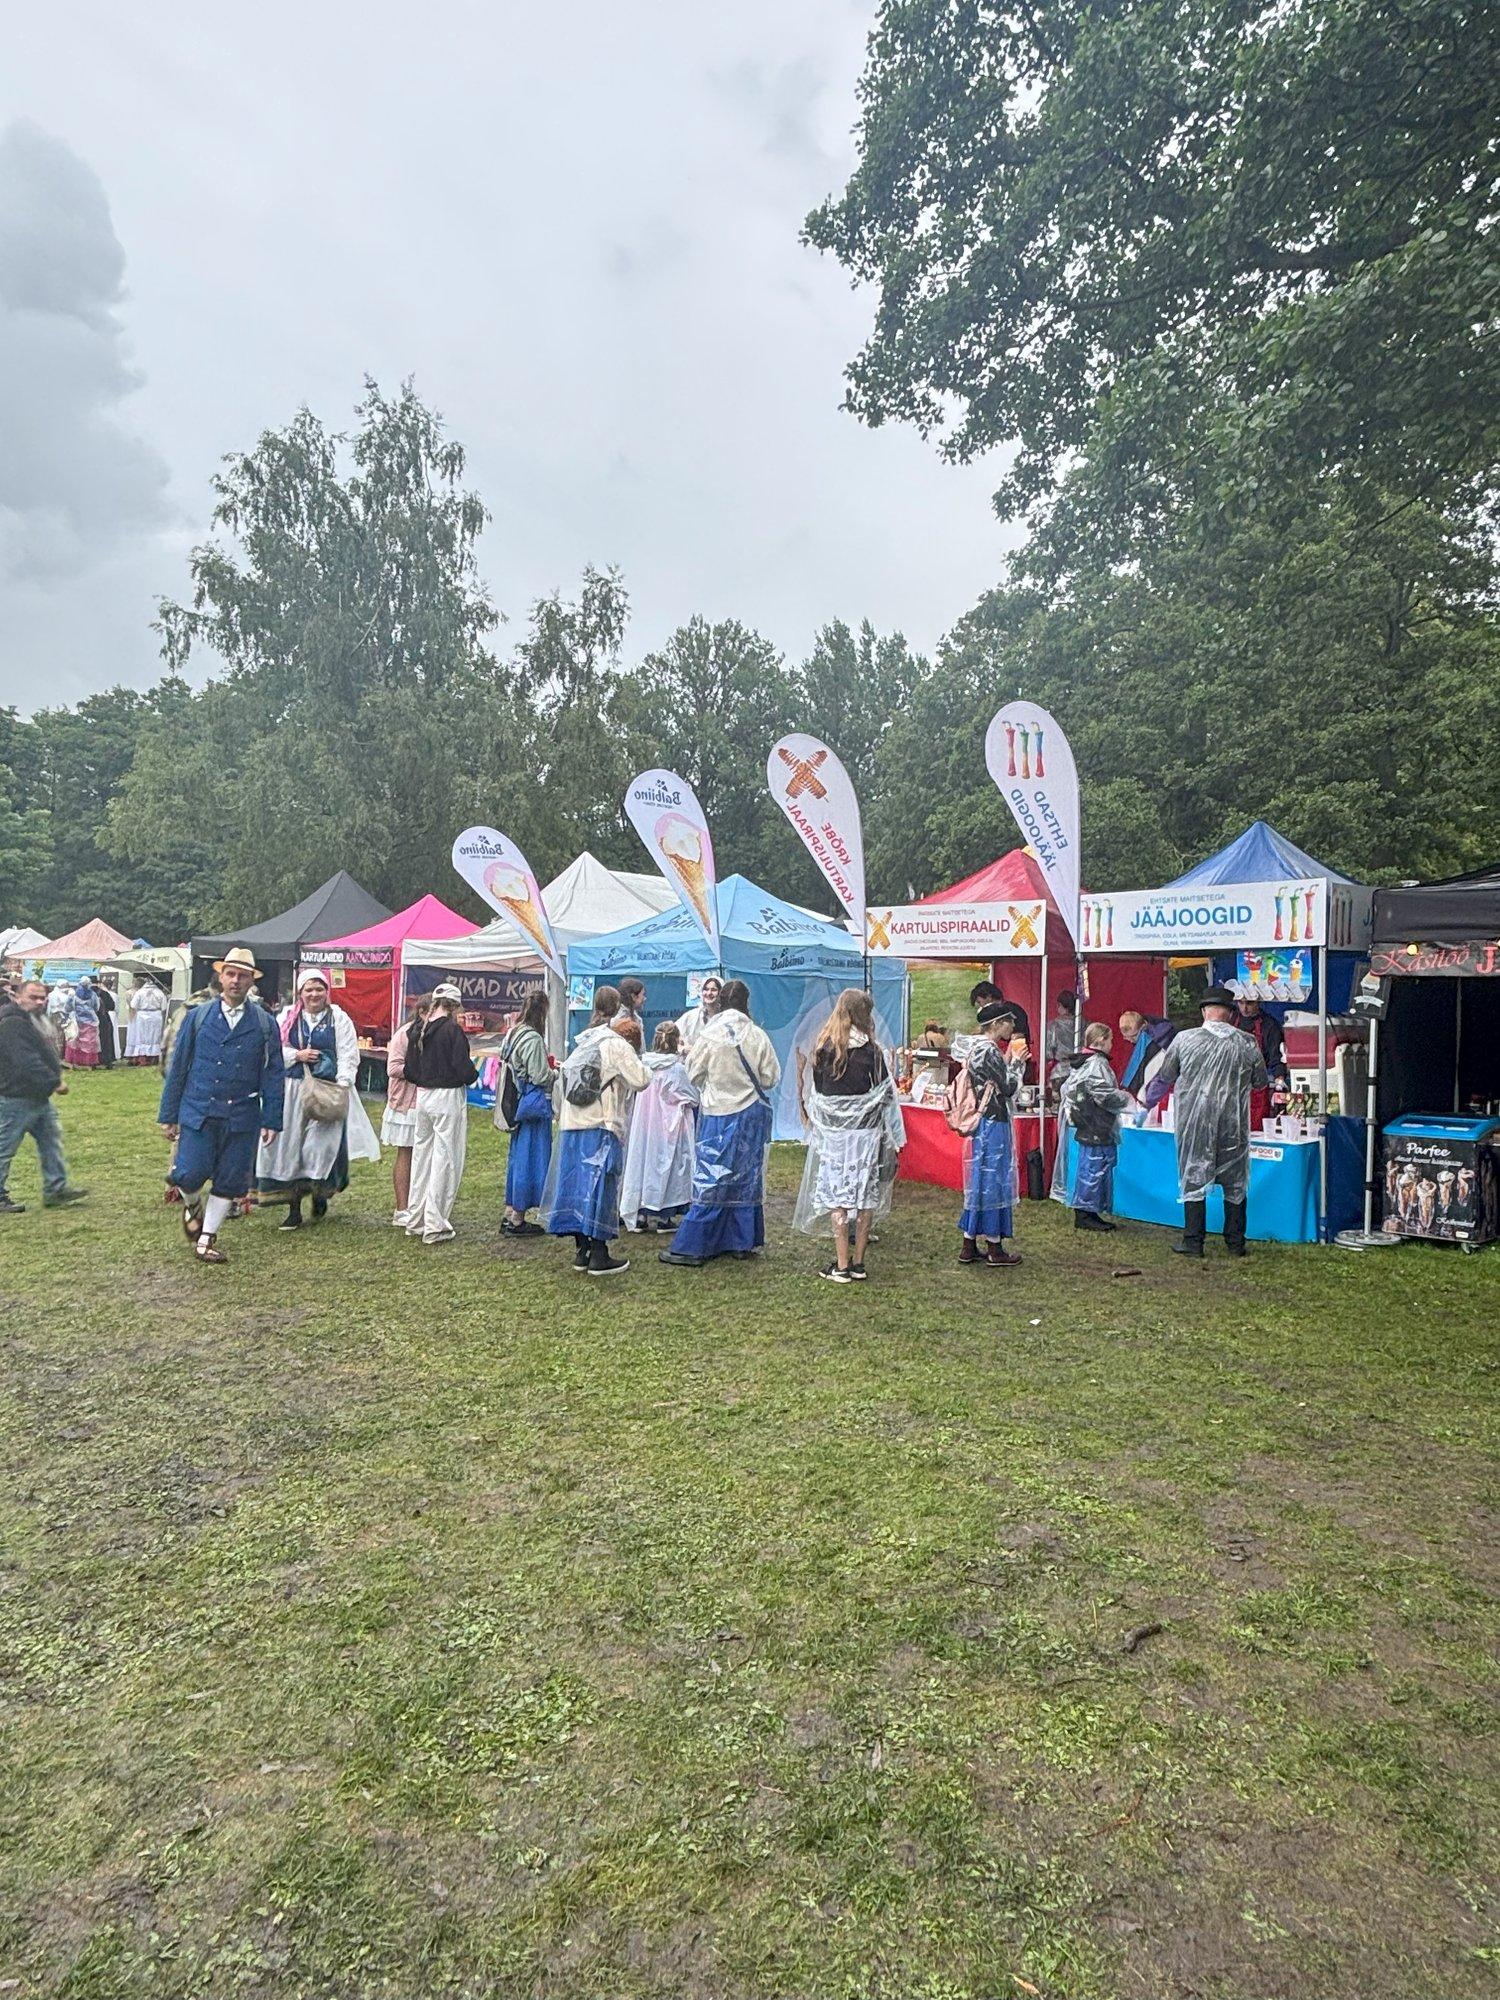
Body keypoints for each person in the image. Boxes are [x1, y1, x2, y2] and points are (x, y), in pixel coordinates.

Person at [158, 946, 285, 1265]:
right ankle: (193, 1206)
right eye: (231, 974)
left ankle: (206, 1238)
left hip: (241, 1114)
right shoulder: (198, 1017)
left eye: (243, 976)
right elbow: (179, 1067)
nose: (236, 981)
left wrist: (272, 1118)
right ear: (221, 976)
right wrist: (169, 1115)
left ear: (252, 982)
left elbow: (274, 1072)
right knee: (187, 1174)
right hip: (199, 1109)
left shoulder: (265, 1022)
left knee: (229, 1180)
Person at [660, 978, 781, 1267]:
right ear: (746, 1003)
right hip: (749, 1112)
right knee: (746, 1177)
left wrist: (712, 1085)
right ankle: (741, 1240)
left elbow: (694, 1072)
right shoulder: (756, 1035)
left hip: (717, 1112)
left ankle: (696, 1243)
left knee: (712, 1176)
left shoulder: (709, 1034)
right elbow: (770, 1077)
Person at [794, 987, 904, 1283]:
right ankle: (858, 1263)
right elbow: (885, 1098)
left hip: (835, 1138)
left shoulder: (824, 1050)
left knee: (838, 1199)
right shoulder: (873, 1052)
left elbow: (817, 1097)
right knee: (865, 1197)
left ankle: (841, 1264)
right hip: (866, 1137)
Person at [256, 968, 379, 1229]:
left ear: (327, 992)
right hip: (292, 1089)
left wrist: (343, 1083)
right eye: (309, 990)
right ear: (300, 993)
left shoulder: (339, 1019)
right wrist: (297, 1056)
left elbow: (348, 1053)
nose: (314, 994)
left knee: (320, 1147)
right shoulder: (288, 1017)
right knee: (291, 1147)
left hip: (325, 1088)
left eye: (319, 989)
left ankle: (319, 1191)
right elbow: (275, 1050)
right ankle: (294, 1207)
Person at [1152, 985, 1269, 1258]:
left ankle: (1194, 1241)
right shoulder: (1247, 1042)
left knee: (1194, 1177)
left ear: (1205, 1011)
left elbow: (1167, 1075)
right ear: (1230, 1013)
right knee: (1235, 1181)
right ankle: (1236, 1242)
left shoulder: (1184, 1039)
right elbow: (1261, 1081)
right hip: (1233, 1122)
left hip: (1195, 1122)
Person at [545, 985, 650, 1275]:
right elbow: (640, 1079)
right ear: (618, 1010)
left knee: (577, 1185)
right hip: (601, 1122)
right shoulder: (613, 1043)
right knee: (601, 1185)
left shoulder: (583, 1041)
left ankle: (582, 1249)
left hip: (572, 1123)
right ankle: (600, 1253)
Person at [0, 978, 88, 1215]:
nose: (39, 1002)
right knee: (4, 1147)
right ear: (18, 996)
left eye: (42, 997)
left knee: (50, 1142)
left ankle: (55, 1189)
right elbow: (25, 1060)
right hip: (16, 1096)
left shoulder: (29, 1019)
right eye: (33, 997)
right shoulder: (12, 1022)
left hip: (36, 1097)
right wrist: (54, 1081)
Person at [402, 984, 479, 1245]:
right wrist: (472, 1075)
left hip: (423, 1095)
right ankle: (436, 1223)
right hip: (447, 1096)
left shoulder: (417, 1030)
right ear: (454, 1006)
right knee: (445, 1158)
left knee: (422, 1157)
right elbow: (463, 1067)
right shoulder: (452, 1030)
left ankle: (416, 1218)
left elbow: (409, 1070)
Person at [957, 1002, 1027, 1268]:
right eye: (1009, 1021)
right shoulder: (990, 1051)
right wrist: (1017, 1064)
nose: (1012, 1027)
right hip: (994, 1122)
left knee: (978, 1181)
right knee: (995, 1181)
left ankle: (969, 1241)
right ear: (997, 1024)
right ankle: (994, 1246)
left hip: (981, 1122)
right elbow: (1008, 1087)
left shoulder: (976, 1049)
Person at [621, 1021, 699, 1232]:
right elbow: (692, 1096)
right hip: (671, 1126)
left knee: (644, 1164)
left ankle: (641, 1214)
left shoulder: (644, 1065)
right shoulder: (677, 1069)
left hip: (645, 1124)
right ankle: (665, 1217)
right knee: (669, 1167)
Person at [1053, 1022, 1131, 1232]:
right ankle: (1085, 1212)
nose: (1113, 1044)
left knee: (1091, 1167)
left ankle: (1088, 1210)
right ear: (1101, 1041)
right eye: (1111, 1039)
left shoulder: (1085, 1062)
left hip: (1089, 1122)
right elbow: (1104, 1094)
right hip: (1096, 1122)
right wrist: (1126, 1099)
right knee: (1094, 1168)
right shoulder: (1096, 1064)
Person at [500, 989, 555, 1237]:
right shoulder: (532, 1038)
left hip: (517, 1103)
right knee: (530, 1159)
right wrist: (555, 1073)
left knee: (518, 1157)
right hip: (532, 1103)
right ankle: (519, 1218)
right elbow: (540, 1075)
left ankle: (511, 1211)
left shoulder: (513, 1032)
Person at [382, 1000, 420, 1227]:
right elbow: (393, 1068)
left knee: (422, 1155)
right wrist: (420, 1071)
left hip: (424, 1102)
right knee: (405, 1153)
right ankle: (402, 1208)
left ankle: (416, 1204)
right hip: (405, 1103)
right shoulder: (403, 1035)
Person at [1234, 991, 1288, 1130]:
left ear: (1258, 1001)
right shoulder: (1231, 1021)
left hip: (1257, 1088)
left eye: (1249, 1003)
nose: (1244, 1008)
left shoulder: (1270, 1025)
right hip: (1231, 1087)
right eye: (1241, 1002)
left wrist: (1279, 1083)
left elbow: (1277, 1058)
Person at [1118, 1010, 1177, 1097]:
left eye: (1133, 1036)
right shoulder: (1151, 1037)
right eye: (1126, 1037)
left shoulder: (1156, 1042)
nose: (1130, 1040)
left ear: (1143, 1027)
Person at [970, 978, 1030, 1044]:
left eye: (979, 1002)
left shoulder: (1013, 1010)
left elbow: (1019, 1037)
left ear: (989, 997)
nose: (981, 1006)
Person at [124, 974, 169, 1063]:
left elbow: (133, 1005)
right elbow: (164, 1007)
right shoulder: (159, 992)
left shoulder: (140, 992)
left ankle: (142, 1057)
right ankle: (154, 1057)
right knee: (154, 1036)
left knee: (142, 1037)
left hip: (142, 1015)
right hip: (156, 1015)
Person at [674, 975, 722, 1052]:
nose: (709, 993)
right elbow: (672, 1034)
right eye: (706, 989)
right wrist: (682, 1048)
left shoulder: (725, 1017)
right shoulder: (691, 1016)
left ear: (720, 993)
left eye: (713, 990)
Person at [64, 978, 101, 1069]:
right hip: (91, 1022)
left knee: (75, 1042)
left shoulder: (73, 995)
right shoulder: (93, 995)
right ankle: (88, 1063)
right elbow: (96, 1007)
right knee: (89, 1042)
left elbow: (68, 1008)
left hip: (77, 1022)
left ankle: (75, 1063)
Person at [1044, 990, 1080, 1070]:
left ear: (1060, 1005)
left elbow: (1048, 1051)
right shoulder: (1083, 1024)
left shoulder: (1054, 1025)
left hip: (1060, 1069)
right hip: (1080, 1069)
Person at [95, 977, 118, 1067]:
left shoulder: (86, 993)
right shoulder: (104, 993)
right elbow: (112, 1006)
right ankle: (107, 1059)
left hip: (89, 1019)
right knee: (105, 1039)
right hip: (103, 1017)